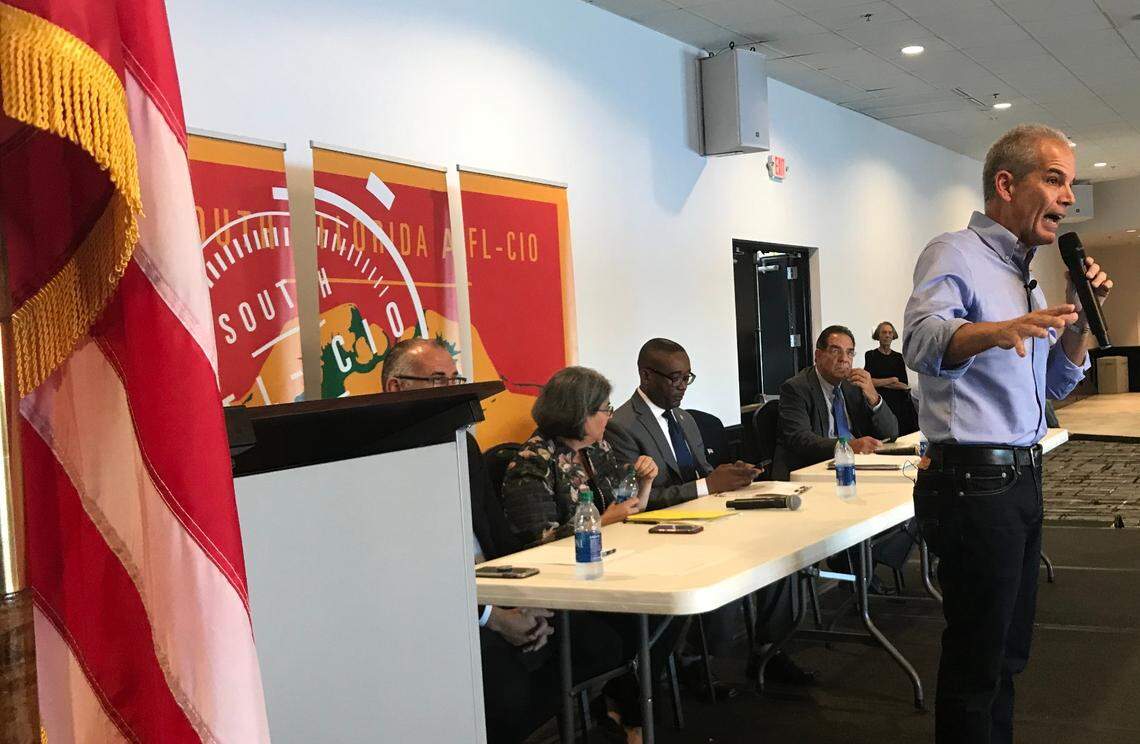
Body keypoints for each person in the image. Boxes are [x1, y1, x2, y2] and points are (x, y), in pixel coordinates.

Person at [903, 123, 1112, 744]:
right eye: (1055, 179)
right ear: (1005, 183)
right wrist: (999, 329)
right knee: (976, 657)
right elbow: (921, 342)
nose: (1068, 196)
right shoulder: (954, 253)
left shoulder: (1028, 276)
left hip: (1021, 477)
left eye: (1070, 183)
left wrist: (1074, 316)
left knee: (1009, 653)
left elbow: (1051, 384)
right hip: (972, 483)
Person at [382, 340, 626, 743]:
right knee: (508, 692)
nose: (453, 389)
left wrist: (528, 597)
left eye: (456, 379)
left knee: (601, 644)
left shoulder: (464, 444)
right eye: (437, 380)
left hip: (499, 584)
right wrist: (493, 614)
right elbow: (414, 570)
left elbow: (499, 536)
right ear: (395, 388)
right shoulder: (380, 461)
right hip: (448, 608)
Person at [605, 338, 816, 689]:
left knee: (780, 548)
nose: (682, 386)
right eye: (675, 378)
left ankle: (769, 646)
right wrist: (707, 485)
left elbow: (702, 471)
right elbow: (638, 500)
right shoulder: (622, 425)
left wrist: (731, 473)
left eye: (688, 377)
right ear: (646, 375)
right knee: (725, 563)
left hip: (706, 516)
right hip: (657, 530)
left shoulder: (685, 419)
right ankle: (696, 658)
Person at [500, 366, 659, 743]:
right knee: (625, 630)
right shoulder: (532, 463)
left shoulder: (597, 450)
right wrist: (602, 521)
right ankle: (625, 709)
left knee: (658, 617)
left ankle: (625, 705)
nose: (609, 414)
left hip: (611, 566)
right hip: (563, 590)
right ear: (578, 412)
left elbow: (629, 508)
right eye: (603, 407)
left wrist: (646, 481)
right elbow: (537, 543)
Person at [771, 325, 899, 481]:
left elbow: (891, 433)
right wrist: (848, 447)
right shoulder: (796, 388)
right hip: (813, 471)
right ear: (817, 356)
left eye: (849, 353)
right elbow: (800, 439)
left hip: (857, 468)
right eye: (835, 351)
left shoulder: (853, 385)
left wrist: (874, 397)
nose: (844, 359)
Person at [865, 321, 918, 434]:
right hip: (879, 401)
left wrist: (880, 382)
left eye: (890, 332)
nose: (887, 335)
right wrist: (891, 380)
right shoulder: (870, 355)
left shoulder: (899, 357)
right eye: (884, 332)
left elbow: (903, 384)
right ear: (878, 335)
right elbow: (868, 382)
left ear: (893, 336)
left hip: (899, 402)